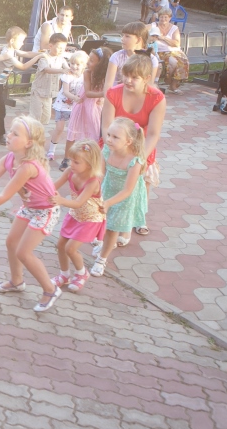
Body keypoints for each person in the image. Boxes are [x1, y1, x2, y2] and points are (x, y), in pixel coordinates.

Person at [0, 116, 62, 312]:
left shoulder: (28, 167)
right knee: (11, 242)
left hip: (46, 211)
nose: (8, 135)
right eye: (10, 131)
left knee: (23, 253)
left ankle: (50, 290)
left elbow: (3, 196)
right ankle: (17, 282)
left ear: (29, 143)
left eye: (15, 134)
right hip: (31, 207)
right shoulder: (8, 158)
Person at [101, 54, 165, 238]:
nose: (128, 80)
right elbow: (106, 126)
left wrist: (140, 158)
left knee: (140, 183)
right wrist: (113, 147)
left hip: (140, 146)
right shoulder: (113, 93)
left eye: (134, 77)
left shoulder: (157, 98)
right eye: (126, 75)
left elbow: (153, 134)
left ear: (146, 78)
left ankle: (137, 218)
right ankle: (106, 214)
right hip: (113, 142)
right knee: (108, 180)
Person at [91, 118, 148, 277]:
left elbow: (128, 190)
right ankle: (104, 243)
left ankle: (102, 259)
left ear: (128, 141)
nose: (109, 139)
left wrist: (109, 202)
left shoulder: (135, 161)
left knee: (112, 228)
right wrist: (93, 191)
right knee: (103, 220)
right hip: (109, 188)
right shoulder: (106, 150)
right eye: (109, 135)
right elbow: (100, 174)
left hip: (125, 197)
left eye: (115, 137)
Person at [50, 140, 105, 294]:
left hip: (90, 218)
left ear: (89, 164)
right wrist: (40, 189)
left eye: (76, 162)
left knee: (71, 248)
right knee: (60, 245)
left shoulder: (93, 182)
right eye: (70, 160)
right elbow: (53, 186)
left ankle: (82, 273)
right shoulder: (70, 172)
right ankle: (64, 275)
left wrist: (60, 200)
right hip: (75, 215)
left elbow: (79, 202)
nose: (71, 164)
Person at [50, 50, 88, 167]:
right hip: (62, 105)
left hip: (75, 106)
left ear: (84, 65)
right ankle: (51, 150)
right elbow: (66, 91)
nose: (74, 66)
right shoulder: (67, 76)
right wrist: (75, 98)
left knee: (75, 130)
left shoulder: (85, 76)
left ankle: (73, 152)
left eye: (78, 64)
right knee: (59, 128)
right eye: (72, 63)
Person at [104, 22, 161, 94]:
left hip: (139, 96)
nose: (122, 39)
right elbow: (108, 85)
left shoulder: (152, 60)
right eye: (123, 35)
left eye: (127, 36)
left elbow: (149, 85)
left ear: (138, 40)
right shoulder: (116, 56)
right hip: (117, 95)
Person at [29, 32, 70, 126]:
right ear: (50, 46)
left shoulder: (61, 59)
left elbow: (67, 68)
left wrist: (72, 70)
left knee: (46, 117)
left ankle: (41, 132)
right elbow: (47, 69)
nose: (61, 50)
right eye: (59, 47)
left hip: (49, 93)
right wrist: (61, 70)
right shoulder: (44, 57)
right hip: (38, 92)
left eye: (63, 48)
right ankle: (31, 131)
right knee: (35, 116)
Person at [149, 9, 189, 94]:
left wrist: (163, 38)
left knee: (184, 61)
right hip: (159, 51)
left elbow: (177, 44)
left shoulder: (174, 28)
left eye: (165, 17)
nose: (163, 19)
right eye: (161, 17)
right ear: (158, 17)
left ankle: (173, 85)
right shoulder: (154, 26)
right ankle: (170, 82)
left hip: (174, 51)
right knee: (172, 62)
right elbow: (141, 29)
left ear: (170, 18)